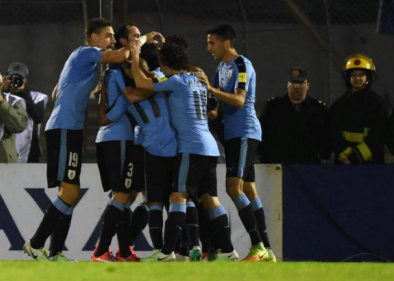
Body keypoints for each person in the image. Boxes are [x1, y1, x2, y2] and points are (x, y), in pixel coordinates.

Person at [23, 18, 161, 261]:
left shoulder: (82, 61)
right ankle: (35, 244)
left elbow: (57, 92)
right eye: (107, 36)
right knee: (70, 191)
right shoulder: (85, 51)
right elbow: (121, 55)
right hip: (64, 127)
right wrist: (147, 37)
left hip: (71, 128)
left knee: (70, 192)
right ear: (94, 38)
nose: (110, 41)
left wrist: (81, 89)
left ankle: (55, 253)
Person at [127, 36, 239, 262]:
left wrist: (135, 55)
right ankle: (230, 252)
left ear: (166, 64)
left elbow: (142, 82)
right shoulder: (196, 78)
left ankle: (167, 252)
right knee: (210, 199)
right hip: (210, 147)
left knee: (178, 195)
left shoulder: (176, 81)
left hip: (191, 146)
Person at [198, 24, 273, 262]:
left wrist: (210, 89)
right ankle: (267, 250)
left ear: (226, 43)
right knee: (249, 189)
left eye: (212, 43)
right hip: (233, 133)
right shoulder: (221, 68)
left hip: (243, 132)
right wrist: (211, 108)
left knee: (233, 188)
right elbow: (216, 102)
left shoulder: (242, 65)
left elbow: (239, 101)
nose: (209, 47)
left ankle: (257, 246)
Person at [91, 23, 150, 262]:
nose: (139, 40)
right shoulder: (118, 73)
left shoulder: (120, 71)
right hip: (119, 139)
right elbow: (117, 108)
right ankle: (102, 250)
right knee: (124, 195)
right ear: (125, 43)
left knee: (129, 194)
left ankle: (124, 250)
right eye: (135, 37)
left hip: (121, 139)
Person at [258, 68, 331, 164]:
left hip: (308, 163)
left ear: (307, 84)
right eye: (293, 82)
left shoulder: (318, 109)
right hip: (278, 163)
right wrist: (265, 154)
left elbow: (325, 136)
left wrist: (323, 155)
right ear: (287, 84)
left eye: (301, 83)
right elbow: (262, 132)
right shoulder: (273, 107)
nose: (296, 86)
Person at [329, 54, 388, 164]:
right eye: (353, 75)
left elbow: (379, 135)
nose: (357, 78)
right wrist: (345, 155)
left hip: (371, 165)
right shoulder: (338, 105)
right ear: (348, 78)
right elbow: (332, 133)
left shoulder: (377, 104)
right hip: (344, 163)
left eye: (361, 75)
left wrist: (354, 157)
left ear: (368, 77)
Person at [1, 62, 48, 163]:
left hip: (30, 153)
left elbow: (37, 117)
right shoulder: (0, 97)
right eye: (12, 78)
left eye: (20, 78)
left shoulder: (37, 97)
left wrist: (23, 92)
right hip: (6, 151)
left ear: (25, 80)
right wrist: (1, 88)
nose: (15, 81)